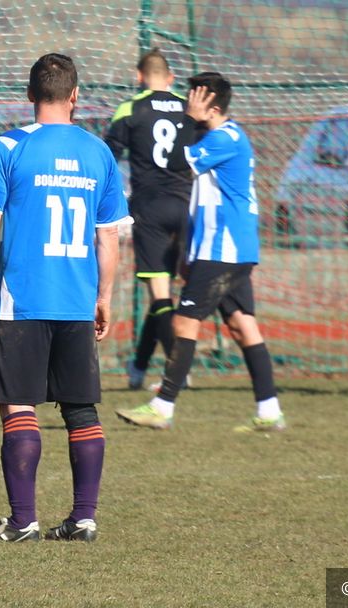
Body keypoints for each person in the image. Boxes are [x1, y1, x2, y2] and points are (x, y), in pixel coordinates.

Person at [0, 53, 130, 543]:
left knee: (19, 407)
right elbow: (108, 235)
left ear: (30, 94)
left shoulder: (9, 146)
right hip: (77, 301)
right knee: (81, 409)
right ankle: (83, 518)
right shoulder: (98, 152)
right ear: (75, 95)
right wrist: (104, 296)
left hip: (21, 301)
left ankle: (23, 522)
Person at [125, 72, 286, 433]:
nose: (187, 105)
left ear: (211, 107)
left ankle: (162, 406)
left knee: (185, 322)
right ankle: (269, 410)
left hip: (223, 250)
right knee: (242, 325)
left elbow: (176, 162)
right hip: (225, 248)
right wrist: (189, 250)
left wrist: (186, 121)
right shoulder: (221, 137)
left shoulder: (224, 138)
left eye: (194, 99)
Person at [104, 49, 197, 396]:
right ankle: (139, 367)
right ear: (171, 78)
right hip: (187, 207)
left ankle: (177, 371)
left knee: (159, 295)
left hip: (150, 208)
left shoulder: (131, 109)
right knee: (164, 295)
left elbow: (108, 157)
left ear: (139, 76)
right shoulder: (189, 107)